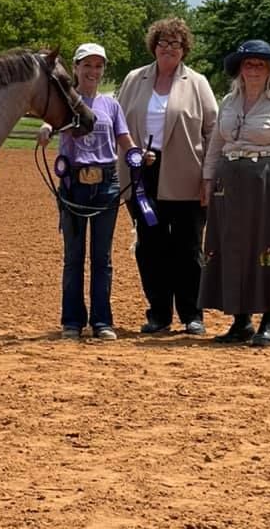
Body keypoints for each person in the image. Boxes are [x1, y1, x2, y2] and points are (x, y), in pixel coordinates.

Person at [117, 18, 218, 335]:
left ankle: (192, 313)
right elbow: (117, 122)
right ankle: (158, 312)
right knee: (150, 246)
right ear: (153, 46)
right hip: (142, 173)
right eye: (163, 42)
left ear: (184, 49)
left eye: (176, 44)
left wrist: (209, 175)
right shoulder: (135, 79)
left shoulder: (197, 83)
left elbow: (213, 130)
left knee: (187, 247)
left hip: (186, 174)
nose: (169, 49)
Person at [199, 40, 270, 347]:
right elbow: (216, 143)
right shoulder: (228, 102)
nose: (253, 69)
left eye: (260, 64)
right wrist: (207, 179)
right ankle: (240, 320)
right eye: (248, 64)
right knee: (231, 246)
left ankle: (269, 321)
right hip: (229, 182)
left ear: (269, 70)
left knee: (266, 247)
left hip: (265, 181)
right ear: (239, 70)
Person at [37, 43, 134, 341]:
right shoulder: (66, 100)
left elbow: (125, 140)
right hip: (73, 185)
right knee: (74, 256)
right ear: (76, 68)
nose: (93, 71)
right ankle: (72, 321)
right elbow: (50, 121)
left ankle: (102, 321)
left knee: (102, 258)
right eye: (87, 65)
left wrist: (139, 156)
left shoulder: (111, 105)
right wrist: (45, 128)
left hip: (106, 185)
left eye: (98, 66)